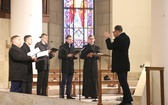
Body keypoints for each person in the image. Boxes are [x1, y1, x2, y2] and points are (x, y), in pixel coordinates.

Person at [104, 25, 133, 105]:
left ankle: (129, 99)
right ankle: (126, 100)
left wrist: (107, 38)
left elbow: (110, 46)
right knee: (124, 82)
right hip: (125, 63)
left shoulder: (119, 39)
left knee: (123, 83)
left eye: (114, 32)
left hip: (120, 64)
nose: (113, 34)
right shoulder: (126, 37)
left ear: (117, 31)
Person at [58, 35, 77, 99]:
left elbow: (73, 55)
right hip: (65, 66)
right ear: (66, 40)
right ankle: (62, 94)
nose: (71, 41)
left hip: (71, 66)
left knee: (69, 82)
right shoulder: (62, 47)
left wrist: (74, 57)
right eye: (69, 39)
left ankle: (68, 94)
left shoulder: (72, 47)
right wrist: (67, 56)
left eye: (71, 39)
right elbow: (59, 56)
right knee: (63, 81)